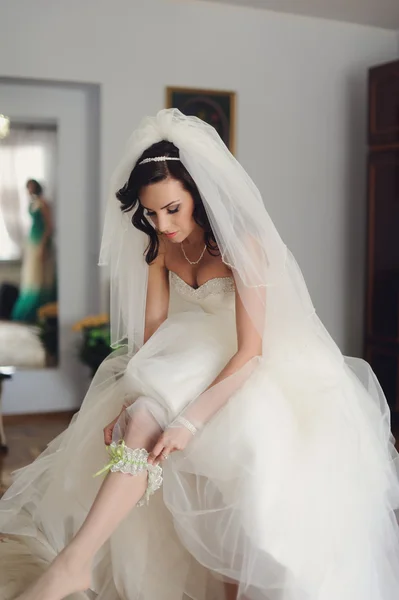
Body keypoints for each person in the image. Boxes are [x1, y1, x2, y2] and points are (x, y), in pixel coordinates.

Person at [0, 109, 398, 600]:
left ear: (198, 197)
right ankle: (73, 564)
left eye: (171, 209)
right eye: (149, 213)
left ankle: (229, 584)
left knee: (247, 477)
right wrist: (131, 396)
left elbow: (251, 350)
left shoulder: (240, 246)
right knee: (142, 419)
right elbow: (151, 340)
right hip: (179, 359)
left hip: (245, 364)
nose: (161, 224)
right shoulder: (159, 249)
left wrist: (188, 422)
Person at [11, 179, 56, 323]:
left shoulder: (43, 203)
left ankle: (40, 311)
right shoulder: (32, 203)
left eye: (31, 187)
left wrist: (43, 246)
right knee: (31, 277)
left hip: (40, 243)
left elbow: (49, 226)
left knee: (40, 278)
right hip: (32, 242)